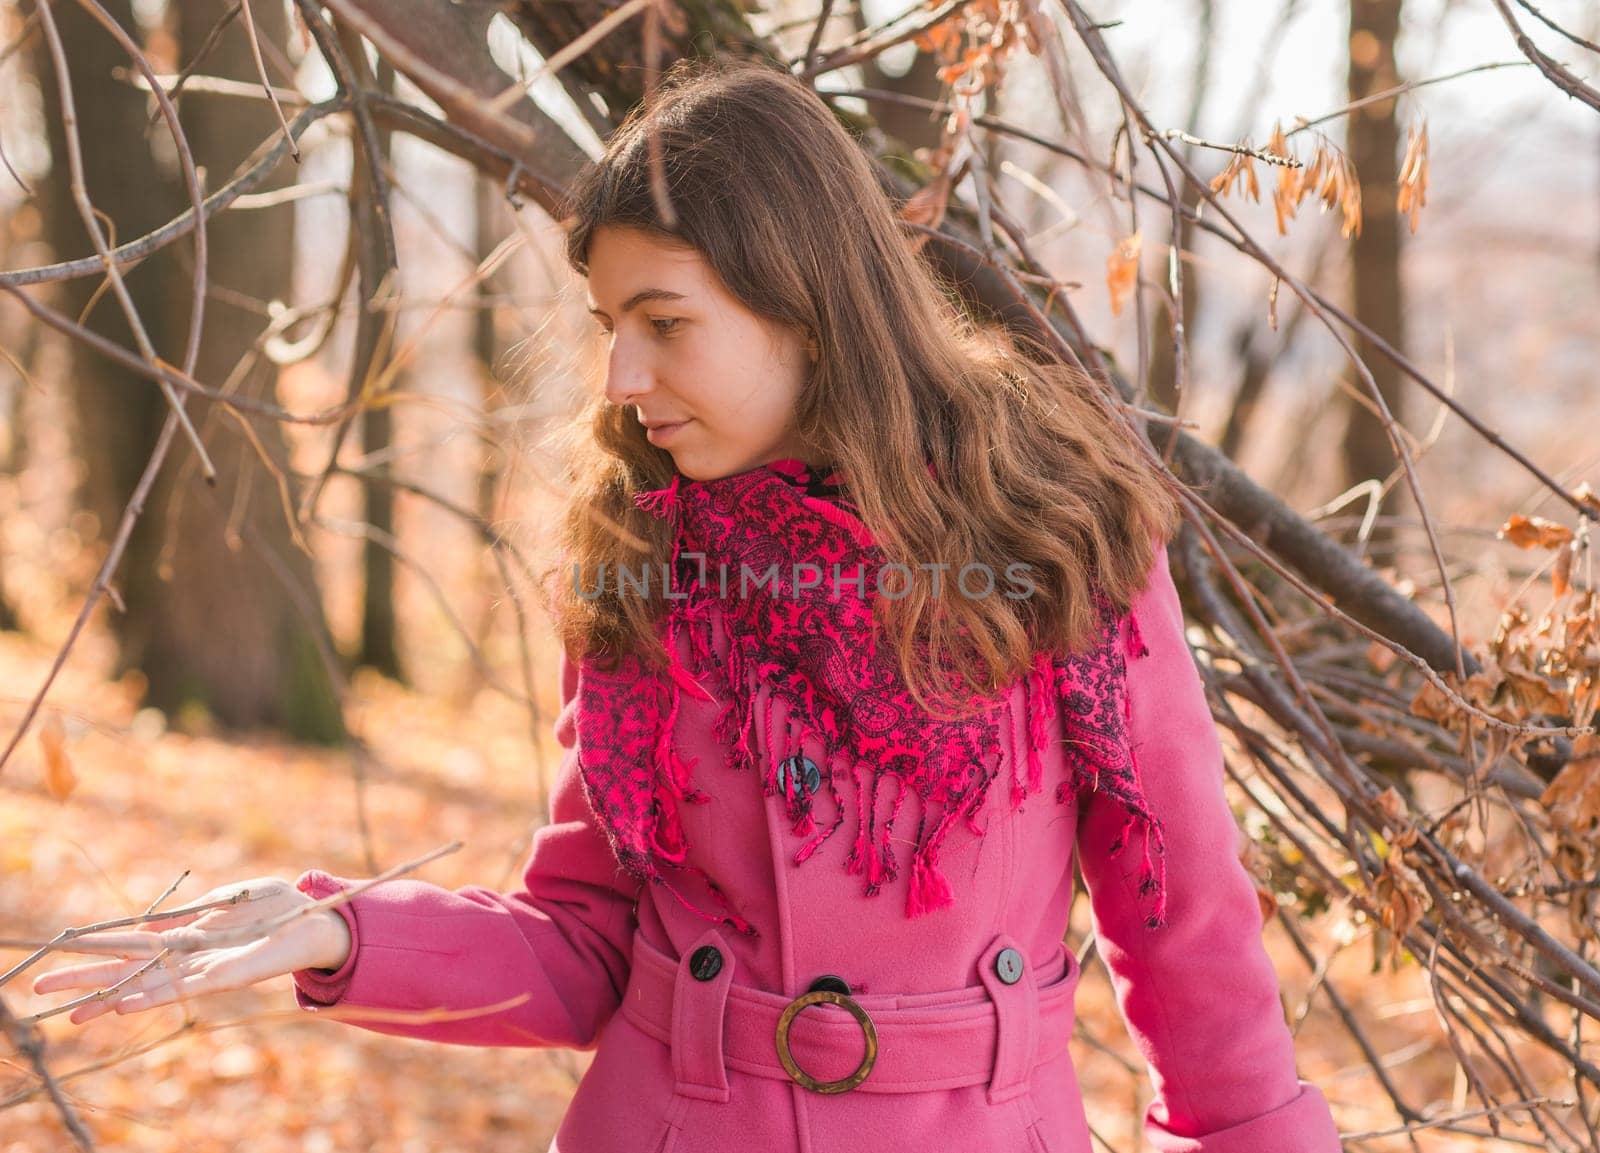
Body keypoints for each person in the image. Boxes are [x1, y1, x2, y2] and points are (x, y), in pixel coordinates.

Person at [32, 58, 1342, 1153]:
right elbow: (586, 939)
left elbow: (1185, 922)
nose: (619, 373)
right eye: (609, 321)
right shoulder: (638, 557)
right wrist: (338, 930)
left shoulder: (1055, 524)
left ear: (807, 307)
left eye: (664, 320)